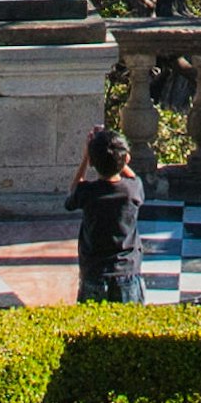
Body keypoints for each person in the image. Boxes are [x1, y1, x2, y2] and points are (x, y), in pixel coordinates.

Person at [68, 127, 146, 304]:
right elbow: (133, 178)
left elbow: (72, 194)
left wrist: (87, 157)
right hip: (127, 271)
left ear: (93, 163)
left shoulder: (87, 192)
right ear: (126, 159)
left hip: (94, 273)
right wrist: (116, 157)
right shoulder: (132, 190)